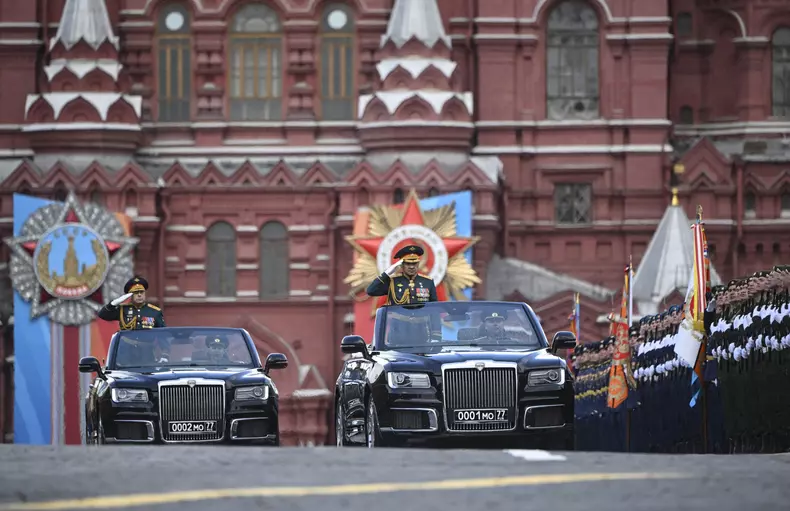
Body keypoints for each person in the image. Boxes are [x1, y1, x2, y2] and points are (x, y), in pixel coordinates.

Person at [98, 276, 169, 362]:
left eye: (141, 292)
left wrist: (165, 355)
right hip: (126, 353)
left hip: (146, 354)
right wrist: (113, 304)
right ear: (130, 296)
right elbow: (102, 315)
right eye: (136, 292)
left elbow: (162, 335)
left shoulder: (154, 312)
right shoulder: (123, 309)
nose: (139, 295)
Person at [366, 245, 438, 305]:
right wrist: (387, 273)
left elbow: (434, 308)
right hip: (399, 321)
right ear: (401, 265)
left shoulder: (428, 282)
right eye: (408, 263)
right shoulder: (393, 282)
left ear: (418, 264)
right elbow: (371, 291)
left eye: (414, 263)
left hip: (422, 321)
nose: (411, 267)